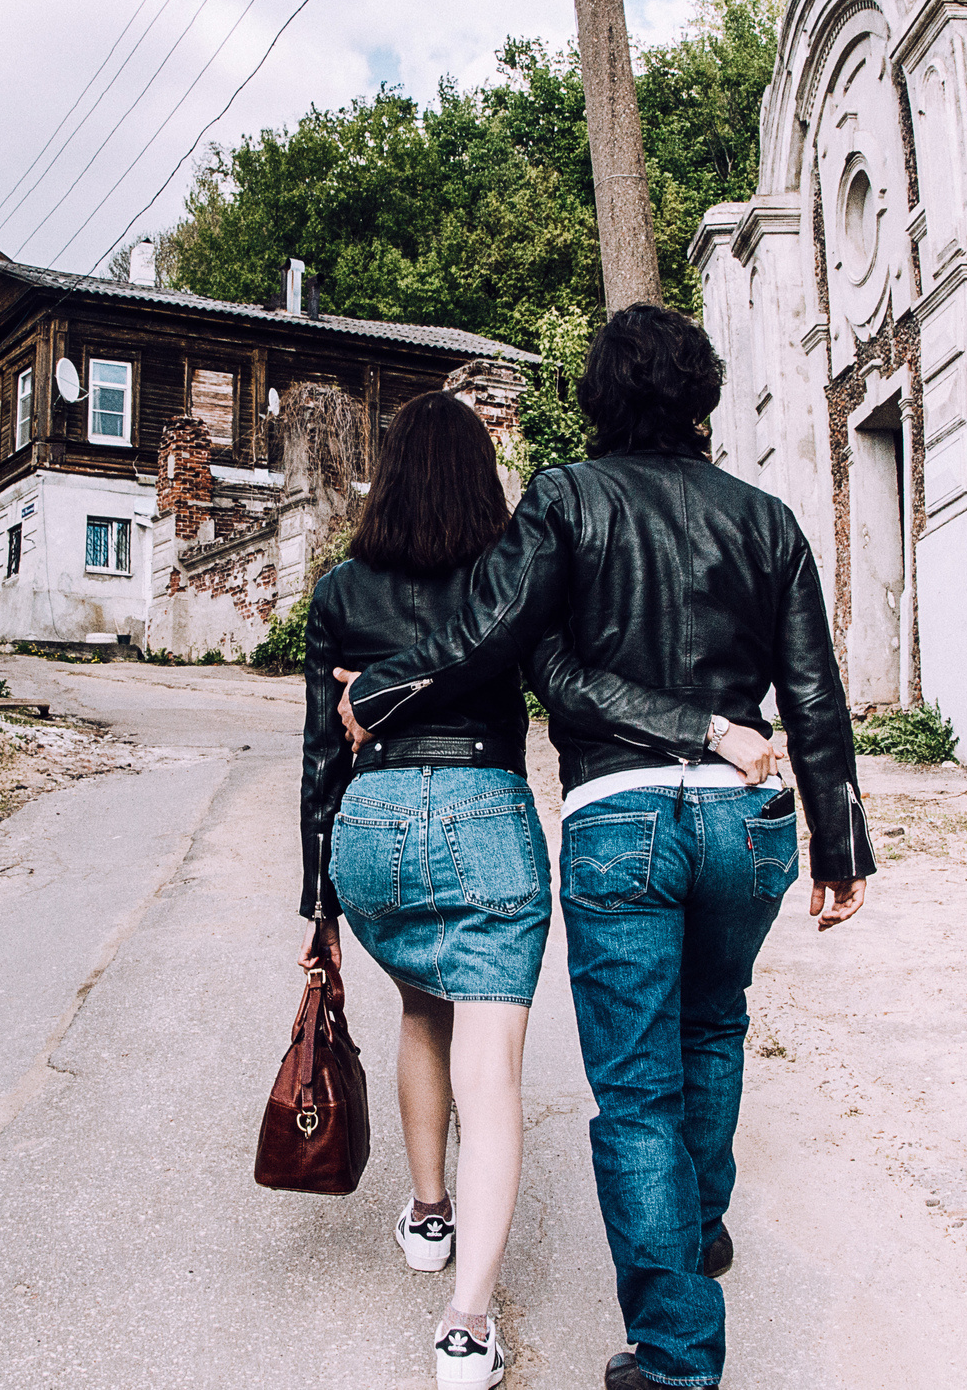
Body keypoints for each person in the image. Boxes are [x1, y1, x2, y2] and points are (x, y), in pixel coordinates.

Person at [334, 304, 875, 1390]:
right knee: (714, 1026)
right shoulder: (767, 520)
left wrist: (388, 683)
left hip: (618, 818)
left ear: (595, 399)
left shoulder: (568, 499)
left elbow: (502, 633)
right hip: (741, 818)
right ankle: (695, 1229)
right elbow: (811, 688)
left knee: (634, 1088)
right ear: (703, 396)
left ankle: (676, 1356)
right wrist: (838, 843)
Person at [299, 389, 670, 1389]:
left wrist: (318, 907)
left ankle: (428, 1212)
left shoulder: (338, 589)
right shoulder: (505, 583)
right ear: (481, 478)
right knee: (491, 1074)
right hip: (481, 820)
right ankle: (465, 1327)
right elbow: (569, 680)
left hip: (370, 830)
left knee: (421, 1001)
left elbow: (313, 753)